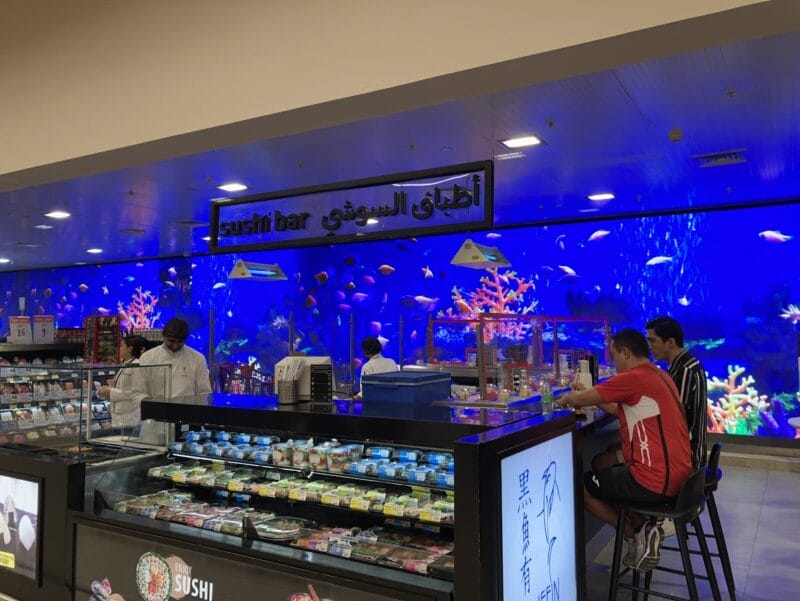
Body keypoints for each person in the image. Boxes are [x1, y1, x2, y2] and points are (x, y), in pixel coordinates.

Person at [556, 328, 692, 571]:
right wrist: (590, 395)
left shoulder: (633, 378)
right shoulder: (659, 375)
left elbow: (578, 400)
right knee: (602, 463)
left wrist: (564, 399)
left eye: (614, 355)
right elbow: (617, 408)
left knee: (581, 488)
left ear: (626, 353)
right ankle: (643, 527)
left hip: (656, 480)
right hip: (681, 476)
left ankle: (635, 532)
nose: (613, 361)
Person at [646, 316, 708, 468]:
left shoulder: (684, 370)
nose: (649, 346)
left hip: (686, 456)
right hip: (682, 450)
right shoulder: (682, 365)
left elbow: (674, 418)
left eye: (652, 341)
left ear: (670, 343)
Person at [138, 318, 212, 398]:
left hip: (187, 405)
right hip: (156, 404)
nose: (175, 346)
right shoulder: (147, 358)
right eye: (171, 341)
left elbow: (203, 392)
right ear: (163, 337)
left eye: (179, 342)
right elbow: (139, 391)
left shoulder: (198, 359)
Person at [97, 334, 151, 428]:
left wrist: (111, 392)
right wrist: (108, 391)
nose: (119, 348)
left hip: (129, 417)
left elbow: (138, 393)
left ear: (130, 348)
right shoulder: (125, 364)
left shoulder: (137, 365)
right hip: (120, 416)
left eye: (122, 346)